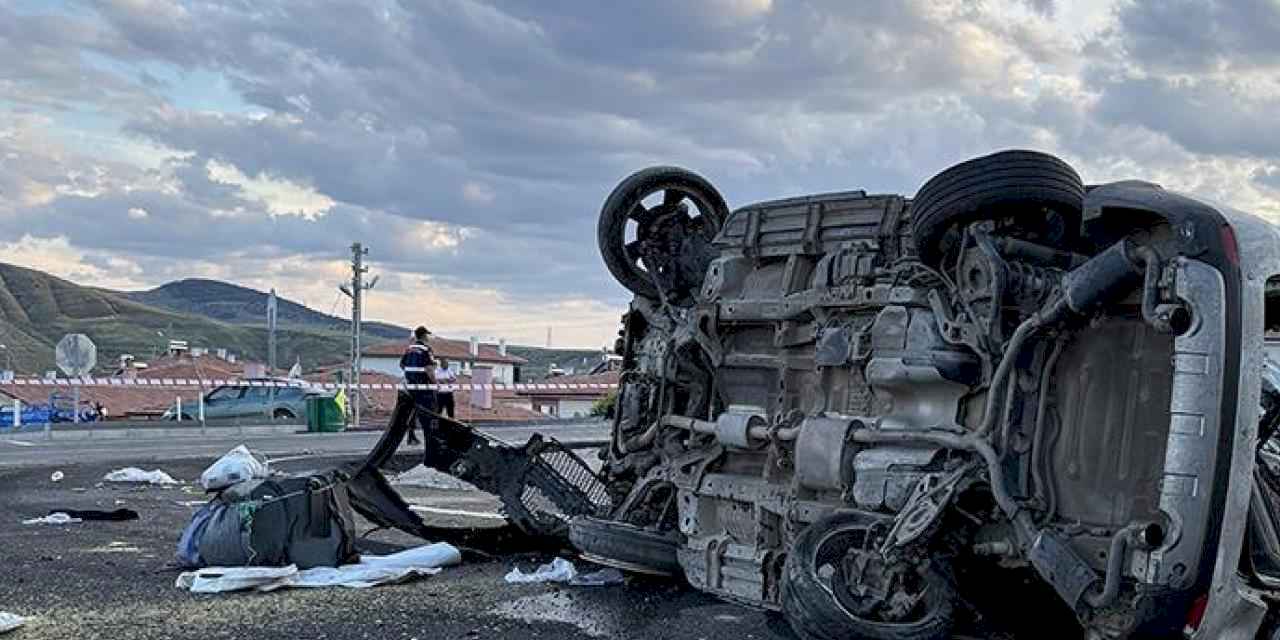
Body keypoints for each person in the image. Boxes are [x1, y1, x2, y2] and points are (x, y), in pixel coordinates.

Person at [399, 326, 436, 446]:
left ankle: (411, 436)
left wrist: (411, 374)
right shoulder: (426, 349)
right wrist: (435, 383)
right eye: (428, 335)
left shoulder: (409, 349)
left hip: (411, 385)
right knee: (429, 412)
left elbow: (402, 364)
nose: (429, 337)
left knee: (412, 411)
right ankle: (430, 440)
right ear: (424, 336)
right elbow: (429, 368)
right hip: (424, 386)